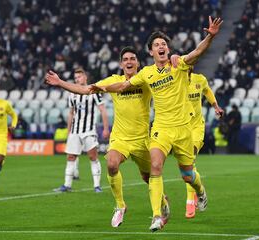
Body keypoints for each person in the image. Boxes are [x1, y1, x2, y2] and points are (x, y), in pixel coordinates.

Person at [92, 16, 223, 231]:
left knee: (187, 174)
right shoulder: (146, 74)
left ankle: (199, 191)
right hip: (161, 129)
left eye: (163, 44)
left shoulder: (179, 64)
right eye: (156, 45)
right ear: (151, 52)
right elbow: (124, 85)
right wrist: (102, 88)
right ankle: (157, 216)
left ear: (168, 49)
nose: (161, 46)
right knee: (155, 166)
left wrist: (210, 36)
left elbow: (197, 53)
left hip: (183, 129)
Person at [45, 46, 172, 228]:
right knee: (111, 164)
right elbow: (87, 90)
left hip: (142, 140)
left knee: (148, 177)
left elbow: (166, 77)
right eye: (125, 59)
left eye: (132, 58)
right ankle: (120, 206)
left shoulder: (145, 78)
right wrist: (60, 83)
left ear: (137, 63)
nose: (129, 61)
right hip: (120, 138)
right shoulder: (113, 80)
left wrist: (172, 59)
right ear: (121, 64)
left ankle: (162, 200)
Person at [53, 68, 110, 193]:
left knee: (93, 156)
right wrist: (69, 131)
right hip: (75, 130)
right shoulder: (72, 94)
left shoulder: (94, 91)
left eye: (79, 77)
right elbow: (71, 113)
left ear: (85, 77)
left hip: (89, 130)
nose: (76, 79)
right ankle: (67, 185)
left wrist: (106, 129)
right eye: (75, 78)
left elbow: (103, 110)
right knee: (71, 157)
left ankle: (97, 186)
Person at [184, 68, 224, 218]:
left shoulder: (199, 79)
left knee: (190, 159)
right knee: (186, 166)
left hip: (196, 127)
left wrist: (216, 107)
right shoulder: (174, 81)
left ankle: (189, 200)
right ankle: (198, 189)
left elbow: (207, 91)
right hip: (181, 127)